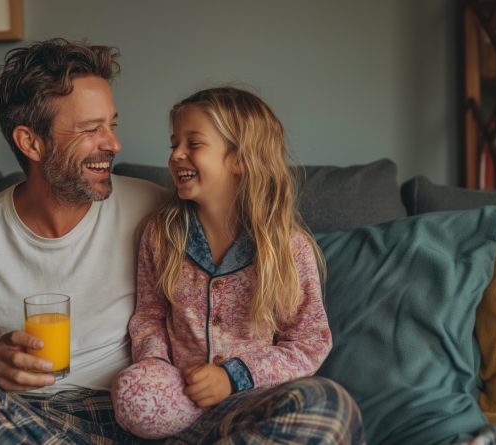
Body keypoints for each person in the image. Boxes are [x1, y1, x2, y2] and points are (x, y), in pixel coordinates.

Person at [0, 39, 365, 444]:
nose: (114, 145)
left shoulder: (160, 211)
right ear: (31, 143)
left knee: (326, 405)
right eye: (90, 130)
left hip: (163, 414)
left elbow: (245, 235)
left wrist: (224, 376)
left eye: (112, 124)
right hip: (41, 424)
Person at [111, 86, 363, 442]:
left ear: (240, 158)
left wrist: (233, 376)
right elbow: (149, 317)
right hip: (178, 399)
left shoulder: (289, 249)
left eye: (193, 144)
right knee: (132, 392)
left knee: (329, 402)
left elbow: (308, 342)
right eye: (174, 144)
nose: (176, 155)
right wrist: (156, 365)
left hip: (253, 403)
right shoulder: (161, 234)